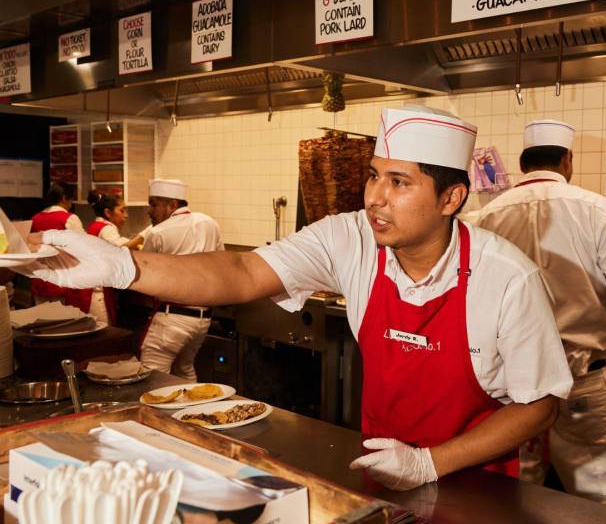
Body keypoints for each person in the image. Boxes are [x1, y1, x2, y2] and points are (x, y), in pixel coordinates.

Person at [17, 106, 572, 492]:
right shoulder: (350, 238)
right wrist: (124, 266)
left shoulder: (506, 278)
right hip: (379, 462)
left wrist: (430, 464)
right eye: (374, 176)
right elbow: (239, 270)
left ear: (451, 197)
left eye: (400, 183)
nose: (375, 197)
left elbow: (539, 403)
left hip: (477, 482)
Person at [465, 119, 606, 510]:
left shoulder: (489, 216)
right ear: (567, 160)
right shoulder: (597, 209)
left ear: (522, 163)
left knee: (517, 495)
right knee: (603, 501)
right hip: (580, 379)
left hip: (515, 381)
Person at [138, 179, 224, 380]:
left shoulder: (158, 232)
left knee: (151, 376)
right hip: (202, 320)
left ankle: (154, 413)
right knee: (183, 371)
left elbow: (144, 272)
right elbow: (222, 263)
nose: (149, 211)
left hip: (172, 317)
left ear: (173, 205)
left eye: (154, 204)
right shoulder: (209, 223)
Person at [72, 190, 149, 325]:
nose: (126, 215)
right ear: (108, 213)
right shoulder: (105, 228)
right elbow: (122, 247)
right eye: (122, 211)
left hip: (89, 288)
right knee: (101, 334)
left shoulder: (97, 226)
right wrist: (146, 233)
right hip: (95, 294)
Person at [29, 182, 84, 305]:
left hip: (40, 280)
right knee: (65, 321)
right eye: (71, 200)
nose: (71, 204)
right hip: (63, 279)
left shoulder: (35, 218)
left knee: (42, 320)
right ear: (64, 198)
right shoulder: (69, 218)